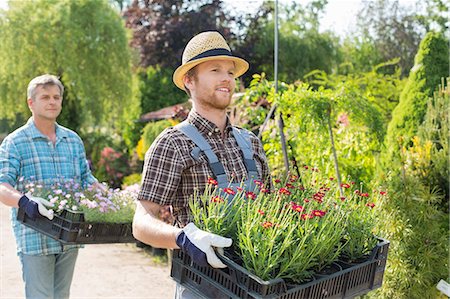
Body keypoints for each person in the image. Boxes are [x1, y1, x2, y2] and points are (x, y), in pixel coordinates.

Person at [132, 31, 272, 298]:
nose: (226, 79)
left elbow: (272, 209)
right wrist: (183, 238)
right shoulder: (173, 143)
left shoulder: (250, 142)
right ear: (189, 80)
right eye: (215, 70)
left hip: (255, 283)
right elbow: (141, 222)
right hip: (201, 285)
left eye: (231, 72)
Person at [0, 74, 104, 299]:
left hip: (69, 235)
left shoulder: (72, 140)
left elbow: (86, 179)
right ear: (31, 103)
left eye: (56, 97)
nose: (52, 102)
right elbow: (2, 185)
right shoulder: (15, 142)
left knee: (62, 295)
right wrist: (25, 202)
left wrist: (111, 198)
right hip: (34, 237)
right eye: (45, 97)